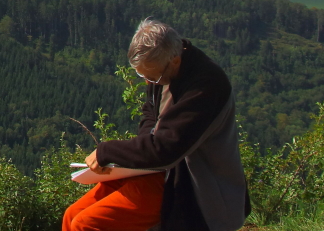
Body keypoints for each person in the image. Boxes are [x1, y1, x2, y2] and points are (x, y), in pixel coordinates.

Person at [62, 18, 250, 231]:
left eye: (153, 76)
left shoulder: (205, 87)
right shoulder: (164, 69)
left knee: (87, 225)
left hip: (194, 187)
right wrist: (141, 150)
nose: (149, 82)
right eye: (142, 74)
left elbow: (166, 149)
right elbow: (150, 113)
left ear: (175, 61)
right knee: (72, 216)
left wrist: (107, 151)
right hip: (157, 172)